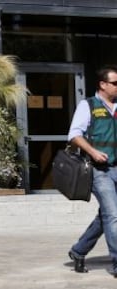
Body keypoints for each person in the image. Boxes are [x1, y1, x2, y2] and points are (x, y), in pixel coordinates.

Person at [67, 65, 117, 276]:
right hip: (99, 170)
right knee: (113, 215)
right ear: (103, 85)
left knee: (105, 216)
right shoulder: (88, 105)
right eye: (115, 83)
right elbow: (74, 135)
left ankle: (79, 251)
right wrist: (93, 152)